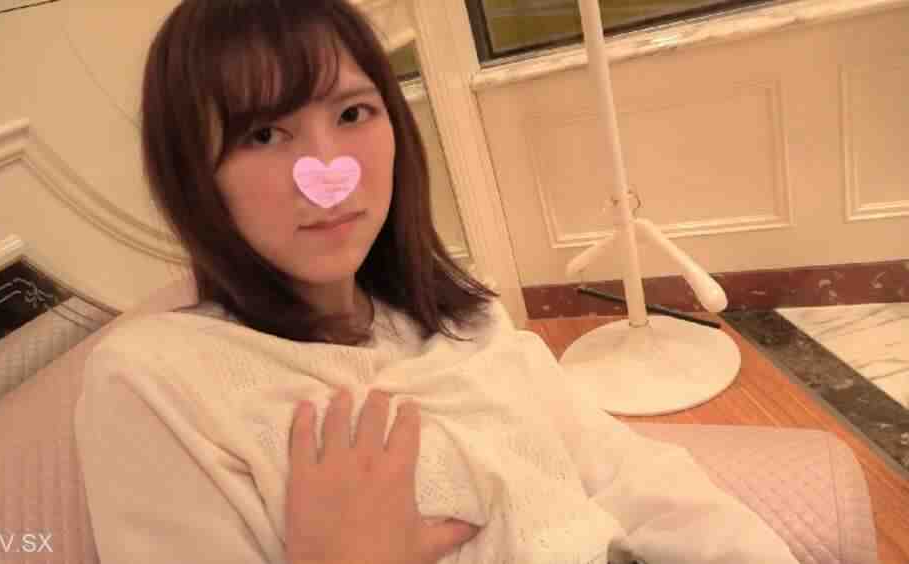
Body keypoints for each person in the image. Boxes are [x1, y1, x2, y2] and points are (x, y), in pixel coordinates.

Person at [73, 1, 800, 563]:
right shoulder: (155, 380)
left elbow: (627, 474)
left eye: (352, 113)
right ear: (192, 171)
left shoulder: (461, 316)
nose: (329, 173)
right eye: (264, 134)